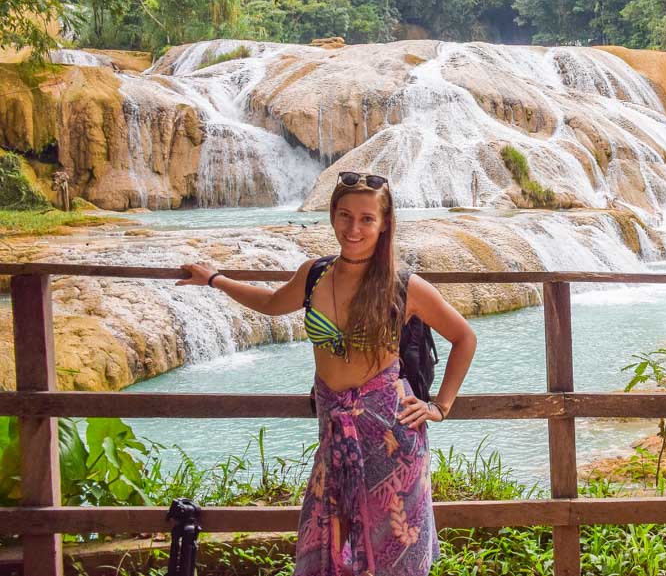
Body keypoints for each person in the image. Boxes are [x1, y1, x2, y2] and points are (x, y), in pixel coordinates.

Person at [176, 171, 477, 575]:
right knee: (328, 550)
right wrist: (215, 280)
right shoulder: (314, 274)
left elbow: (464, 337)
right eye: (344, 215)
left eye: (367, 219)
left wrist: (440, 406)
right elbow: (270, 302)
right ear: (333, 215)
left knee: (396, 551)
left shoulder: (403, 286)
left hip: (391, 435)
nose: (354, 228)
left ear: (385, 223)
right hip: (334, 429)